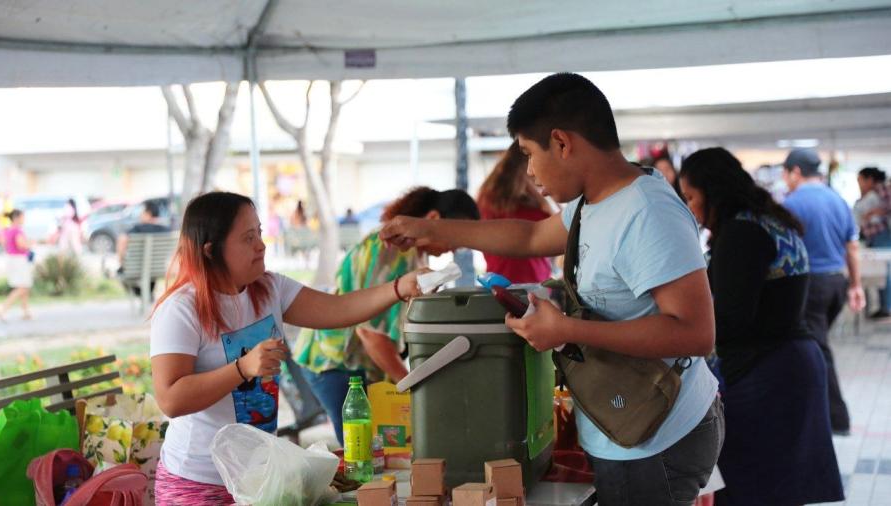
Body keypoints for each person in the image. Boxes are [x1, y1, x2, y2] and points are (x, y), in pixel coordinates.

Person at [381, 73, 722, 506]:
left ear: (561, 143)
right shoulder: (594, 202)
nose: (529, 171)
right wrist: (435, 229)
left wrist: (566, 331)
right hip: (623, 424)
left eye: (529, 153)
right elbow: (528, 238)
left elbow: (695, 333)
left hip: (658, 436)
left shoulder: (647, 211)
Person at [150, 191, 428, 504]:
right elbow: (171, 398)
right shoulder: (180, 309)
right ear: (212, 250)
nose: (261, 245)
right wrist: (242, 368)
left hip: (259, 476)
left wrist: (400, 287)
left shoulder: (270, 288)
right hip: (197, 480)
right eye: (247, 238)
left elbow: (338, 309)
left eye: (259, 233)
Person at [679, 147, 844, 506]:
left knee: (754, 487)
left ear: (713, 190)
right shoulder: (767, 220)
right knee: (779, 488)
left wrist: (677, 332)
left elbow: (731, 320)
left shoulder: (741, 234)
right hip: (790, 364)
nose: (690, 207)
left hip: (766, 376)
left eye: (691, 197)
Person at [294, 187, 480, 445]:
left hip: (361, 364)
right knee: (362, 452)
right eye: (455, 236)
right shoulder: (391, 249)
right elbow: (370, 334)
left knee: (381, 450)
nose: (454, 247)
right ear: (435, 219)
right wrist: (413, 385)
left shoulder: (416, 254)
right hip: (334, 361)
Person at [782, 147, 863, 435]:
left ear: (795, 172)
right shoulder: (838, 200)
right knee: (812, 346)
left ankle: (836, 418)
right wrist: (855, 285)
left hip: (810, 286)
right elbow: (852, 247)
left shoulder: (791, 203)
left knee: (817, 351)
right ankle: (811, 409)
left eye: (786, 173)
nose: (785, 179)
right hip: (836, 284)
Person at [477, 141, 555, 283]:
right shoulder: (528, 206)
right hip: (526, 280)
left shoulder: (487, 197)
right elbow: (557, 225)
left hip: (504, 280)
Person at [853, 167, 891, 317]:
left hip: (882, 235)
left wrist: (878, 212)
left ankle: (887, 307)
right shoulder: (869, 195)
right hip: (873, 237)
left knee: (886, 272)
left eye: (860, 180)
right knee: (880, 272)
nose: (859, 184)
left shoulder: (881, 190)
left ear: (870, 179)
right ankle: (883, 306)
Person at [116, 200, 170, 301]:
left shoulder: (137, 229)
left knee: (120, 272)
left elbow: (122, 240)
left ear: (148, 214)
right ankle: (147, 295)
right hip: (160, 268)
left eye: (142, 212)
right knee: (150, 273)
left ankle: (142, 294)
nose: (140, 215)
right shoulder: (166, 229)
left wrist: (121, 261)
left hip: (137, 268)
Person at [0, 209, 33, 321]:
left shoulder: (7, 230)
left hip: (11, 259)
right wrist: (30, 244)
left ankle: (26, 312)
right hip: (19, 260)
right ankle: (3, 307)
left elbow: (2, 242)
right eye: (22, 217)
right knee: (22, 287)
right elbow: (21, 245)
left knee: (24, 286)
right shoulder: (17, 230)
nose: (24, 219)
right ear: (17, 218)